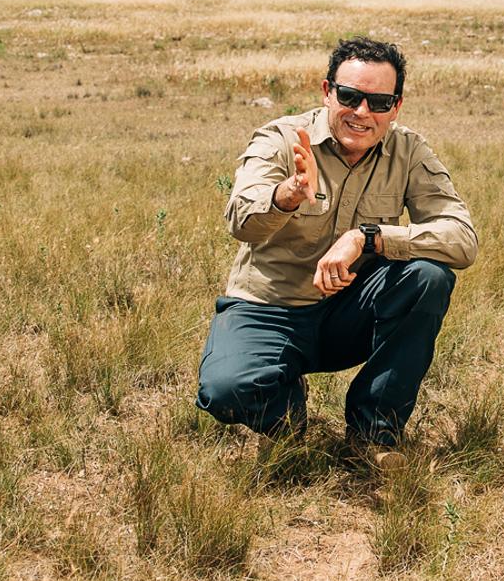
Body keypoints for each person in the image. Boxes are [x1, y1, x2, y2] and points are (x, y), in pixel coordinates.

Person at [196, 37, 477, 462]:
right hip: (269, 308)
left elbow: (462, 238)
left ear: (396, 107)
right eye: (350, 96)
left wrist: (369, 237)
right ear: (327, 92)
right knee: (224, 391)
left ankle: (373, 434)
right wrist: (287, 194)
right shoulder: (282, 139)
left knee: (428, 278)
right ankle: (284, 411)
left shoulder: (409, 151)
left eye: (379, 102)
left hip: (351, 311)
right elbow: (240, 220)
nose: (362, 112)